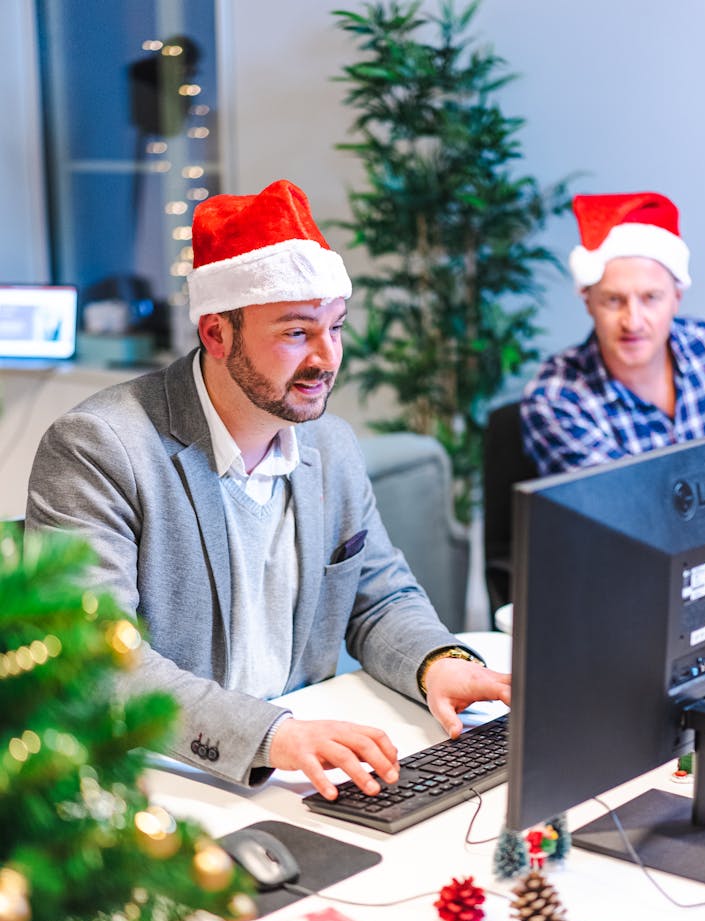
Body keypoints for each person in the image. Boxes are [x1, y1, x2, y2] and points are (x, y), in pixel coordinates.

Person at [26, 179, 511, 800]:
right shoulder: (99, 447)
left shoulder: (329, 446)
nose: (325, 358)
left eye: (335, 328)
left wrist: (437, 663)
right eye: (295, 333)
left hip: (296, 772)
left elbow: (380, 596)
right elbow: (95, 663)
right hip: (158, 777)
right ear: (216, 335)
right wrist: (273, 736)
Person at [521, 191, 705, 475]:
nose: (633, 322)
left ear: (676, 297)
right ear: (588, 301)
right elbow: (627, 512)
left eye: (651, 297)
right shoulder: (557, 400)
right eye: (613, 300)